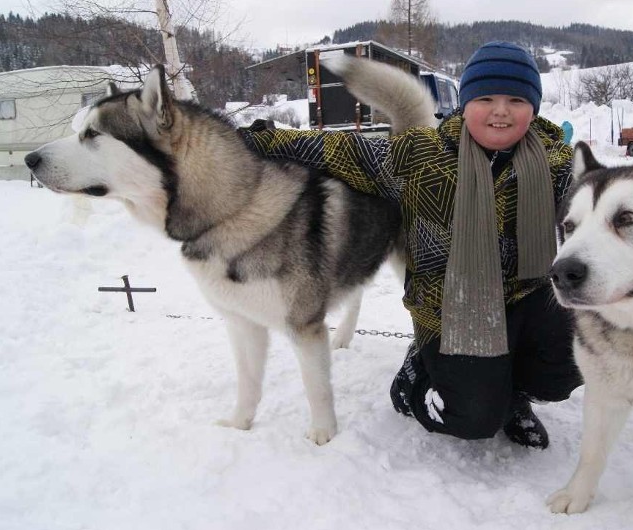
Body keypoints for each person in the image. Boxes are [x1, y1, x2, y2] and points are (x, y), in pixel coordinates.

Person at [239, 41, 583, 448]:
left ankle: (513, 398)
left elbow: (619, 204)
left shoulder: (559, 163)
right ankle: (417, 379)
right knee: (472, 420)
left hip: (527, 299)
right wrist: (254, 141)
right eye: (486, 98)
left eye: (516, 99)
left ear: (534, 106)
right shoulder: (423, 155)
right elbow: (340, 151)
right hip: (453, 312)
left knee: (576, 357)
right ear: (465, 102)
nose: (501, 111)